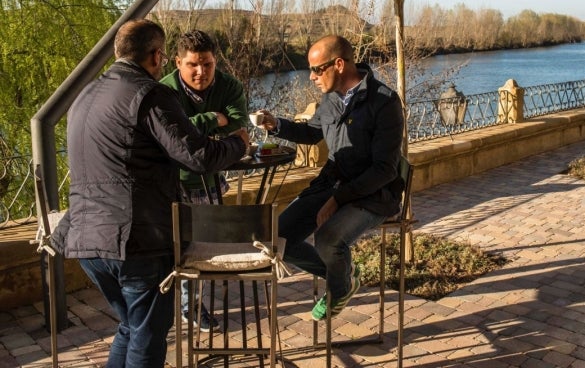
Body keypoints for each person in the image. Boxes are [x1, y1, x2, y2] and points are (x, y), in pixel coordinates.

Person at [50, 19, 249, 368]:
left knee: (130, 327)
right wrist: (237, 144)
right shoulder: (150, 94)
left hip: (85, 241)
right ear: (159, 56)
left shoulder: (85, 95)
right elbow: (197, 155)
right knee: (147, 334)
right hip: (135, 242)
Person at [256, 35, 404, 320]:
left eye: (316, 69)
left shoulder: (384, 101)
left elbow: (385, 169)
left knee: (327, 239)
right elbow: (311, 133)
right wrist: (276, 125)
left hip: (373, 194)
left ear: (338, 64)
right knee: (276, 239)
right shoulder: (330, 99)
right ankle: (344, 275)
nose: (311, 76)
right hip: (331, 184)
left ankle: (337, 288)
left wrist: (338, 199)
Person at [160, 29, 249, 331]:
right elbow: (172, 137)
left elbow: (238, 121)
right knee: (179, 248)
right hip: (173, 180)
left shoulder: (229, 85)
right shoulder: (164, 90)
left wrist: (192, 127)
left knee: (203, 246)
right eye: (193, 65)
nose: (201, 72)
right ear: (177, 62)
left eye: (208, 64)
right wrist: (212, 118)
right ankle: (180, 306)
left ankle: (192, 306)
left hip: (211, 179)